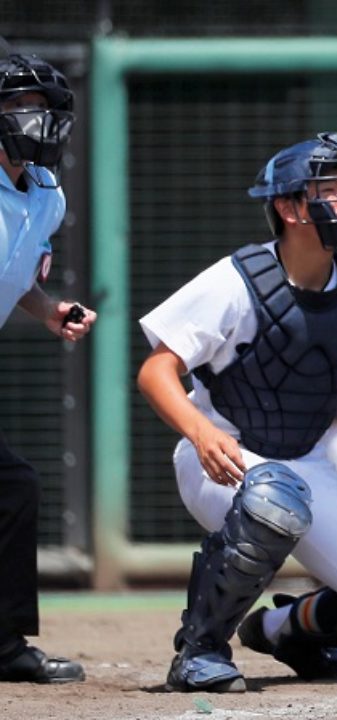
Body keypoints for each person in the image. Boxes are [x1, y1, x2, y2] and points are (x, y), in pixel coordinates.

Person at [136, 132, 337, 693]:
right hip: (223, 457)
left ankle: (286, 632)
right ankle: (200, 649)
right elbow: (156, 371)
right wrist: (200, 431)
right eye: (331, 189)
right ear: (288, 206)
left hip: (307, 464)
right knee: (271, 500)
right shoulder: (237, 281)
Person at [0, 51, 96, 685]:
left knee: (13, 487)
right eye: (21, 107)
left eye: (47, 109)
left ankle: (5, 648)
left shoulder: (46, 196)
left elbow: (16, 275)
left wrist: (46, 309)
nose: (38, 120)